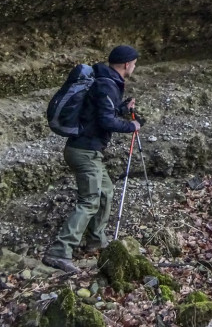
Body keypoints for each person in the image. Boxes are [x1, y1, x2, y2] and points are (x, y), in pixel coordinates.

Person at [42, 45, 141, 274]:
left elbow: (99, 113)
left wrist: (122, 108)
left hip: (88, 150)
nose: (134, 67)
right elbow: (106, 121)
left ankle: (96, 241)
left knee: (106, 191)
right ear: (127, 64)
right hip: (84, 151)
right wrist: (131, 125)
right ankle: (59, 251)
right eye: (134, 63)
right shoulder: (107, 83)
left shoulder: (105, 81)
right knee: (90, 200)